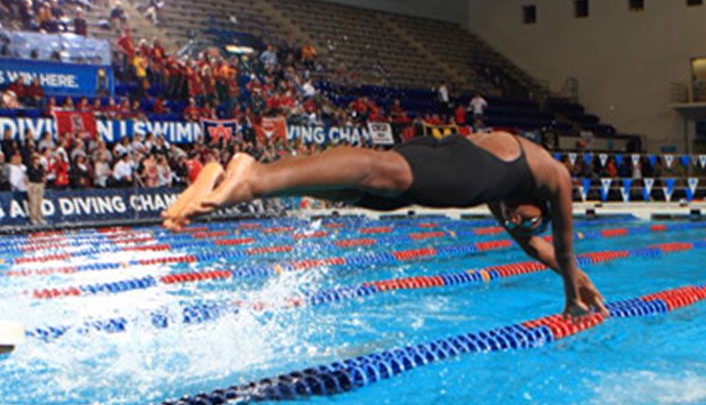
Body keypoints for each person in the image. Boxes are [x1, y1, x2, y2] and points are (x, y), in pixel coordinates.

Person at [163, 132, 607, 319]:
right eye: (525, 220)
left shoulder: (505, 193)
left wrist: (574, 276)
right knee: (386, 174)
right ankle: (254, 177)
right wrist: (572, 296)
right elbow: (561, 247)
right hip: (463, 164)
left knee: (372, 194)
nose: (516, 223)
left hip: (462, 168)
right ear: (540, 206)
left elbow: (537, 249)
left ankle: (242, 178)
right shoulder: (554, 176)